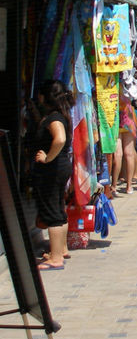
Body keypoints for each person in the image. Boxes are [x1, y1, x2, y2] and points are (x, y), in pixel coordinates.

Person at [30, 80, 74, 270]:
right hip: (60, 167)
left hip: (52, 169)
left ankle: (55, 258)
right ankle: (60, 249)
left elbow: (60, 139)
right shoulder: (58, 115)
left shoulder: (55, 119)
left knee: (52, 211)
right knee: (58, 208)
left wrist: (48, 157)